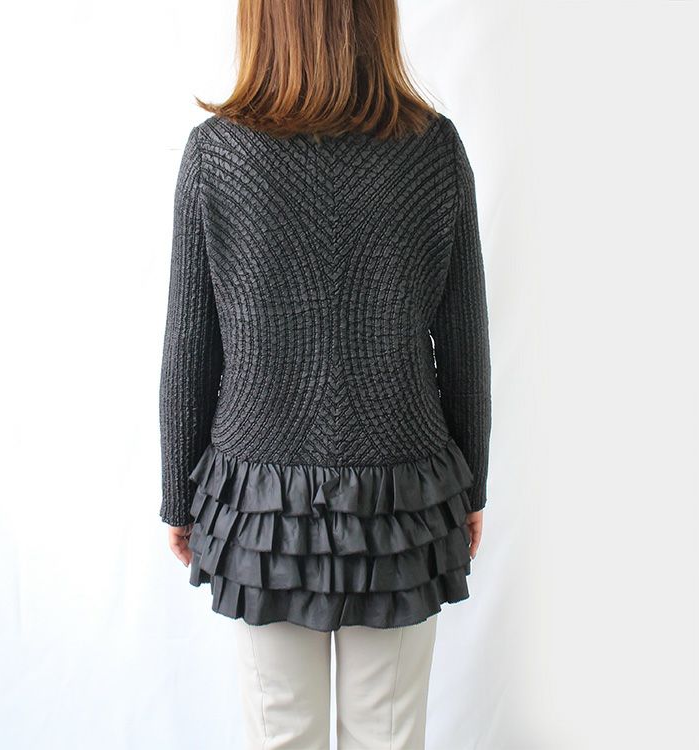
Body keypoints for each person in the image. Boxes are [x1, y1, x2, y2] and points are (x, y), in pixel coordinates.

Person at [158, 1, 492, 747]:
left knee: (282, 732)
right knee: (388, 732)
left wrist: (180, 493)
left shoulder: (218, 155)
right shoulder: (433, 149)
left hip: (260, 508)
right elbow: (465, 344)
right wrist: (471, 487)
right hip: (403, 502)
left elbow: (189, 345)